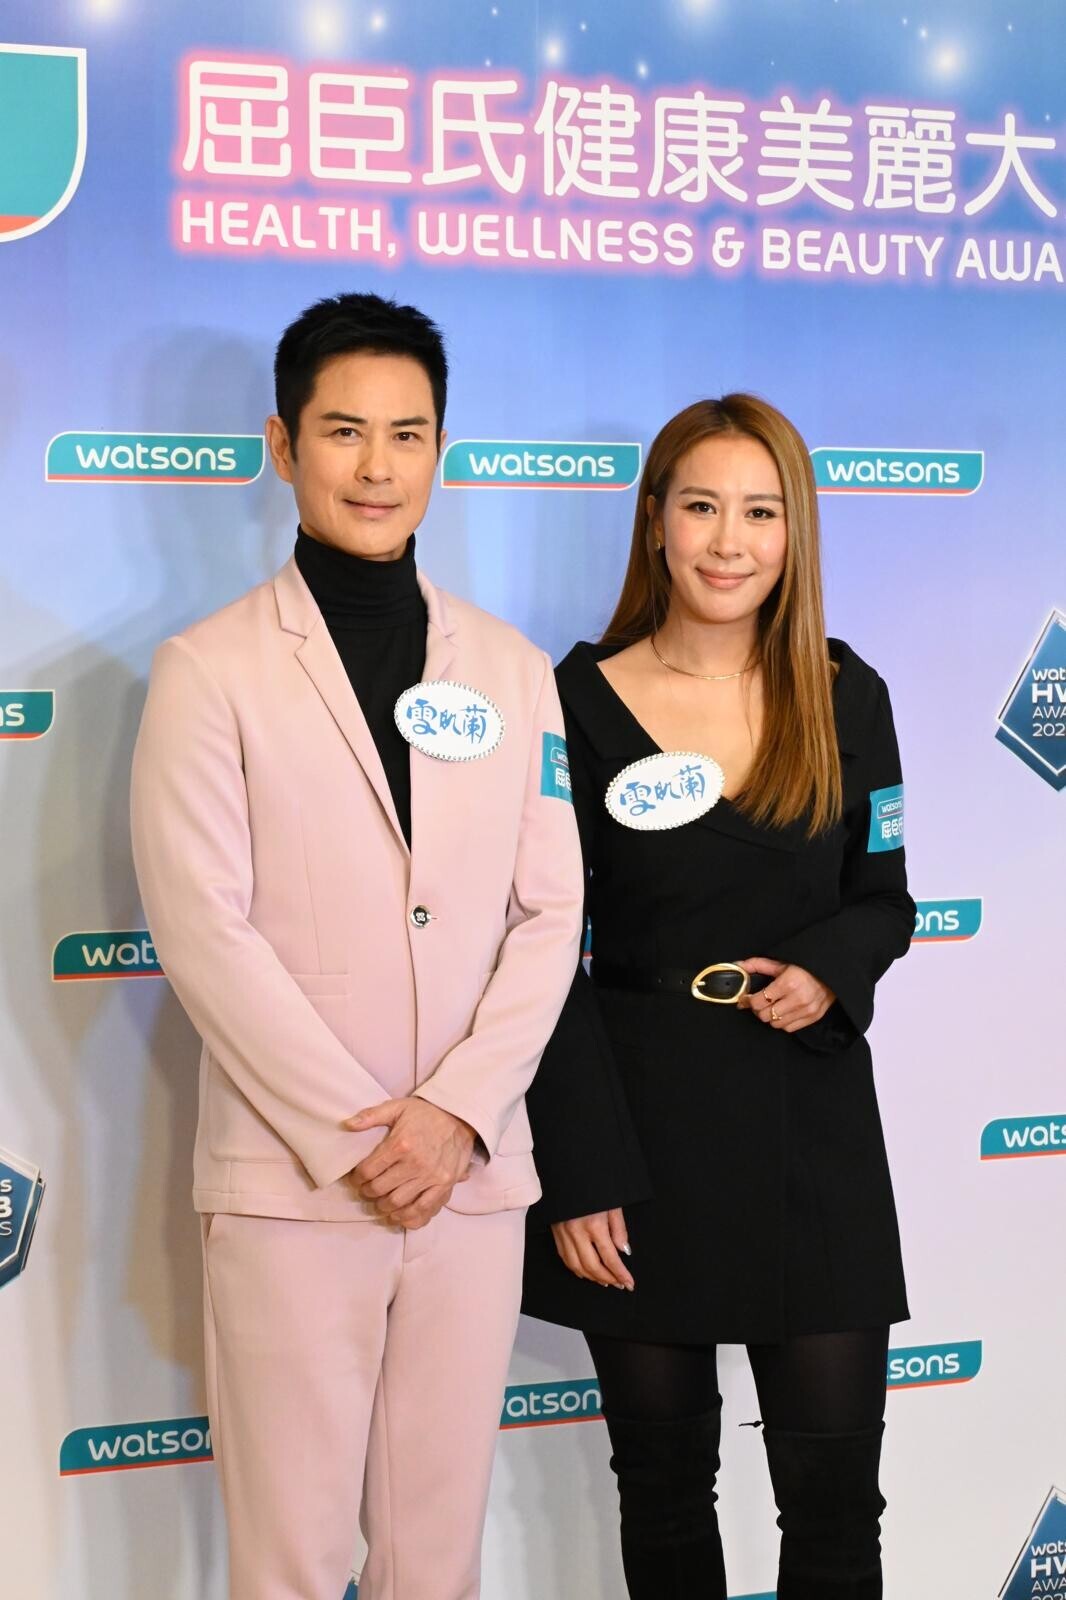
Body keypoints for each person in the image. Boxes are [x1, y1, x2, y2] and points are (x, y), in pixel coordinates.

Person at [130, 292, 583, 1600]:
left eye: (406, 434)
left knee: (437, 1558)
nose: (377, 466)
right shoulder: (208, 669)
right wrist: (361, 1136)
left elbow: (549, 913)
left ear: (442, 449)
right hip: (294, 1181)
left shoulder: (512, 671)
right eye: (343, 431)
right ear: (283, 445)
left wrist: (453, 1115)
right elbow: (203, 928)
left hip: (467, 1181)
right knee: (291, 1556)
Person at [521, 395, 914, 1600]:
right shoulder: (570, 699)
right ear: (655, 522)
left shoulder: (847, 694)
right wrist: (579, 1166)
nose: (728, 541)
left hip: (812, 1132)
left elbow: (885, 900)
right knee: (663, 1493)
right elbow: (536, 946)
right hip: (637, 1133)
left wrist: (831, 969)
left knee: (836, 1508)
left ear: (795, 532)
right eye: (701, 507)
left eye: (761, 511)